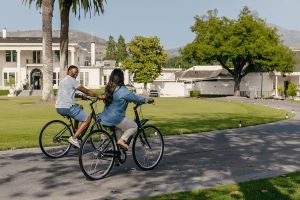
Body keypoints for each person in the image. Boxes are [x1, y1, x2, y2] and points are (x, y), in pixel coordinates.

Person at [99, 68, 154, 151]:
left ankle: (117, 156)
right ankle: (121, 141)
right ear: (122, 78)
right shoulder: (123, 91)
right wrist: (147, 100)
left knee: (118, 129)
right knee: (134, 126)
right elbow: (136, 98)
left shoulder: (109, 89)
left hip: (104, 117)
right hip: (116, 118)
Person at [55, 65, 104, 148]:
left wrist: (82, 97)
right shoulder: (73, 81)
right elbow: (87, 91)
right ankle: (74, 138)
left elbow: (70, 93)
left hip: (59, 107)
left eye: (76, 73)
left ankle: (76, 131)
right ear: (69, 72)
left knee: (80, 107)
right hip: (67, 107)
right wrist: (98, 96)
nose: (76, 74)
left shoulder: (63, 80)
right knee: (87, 119)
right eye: (74, 73)